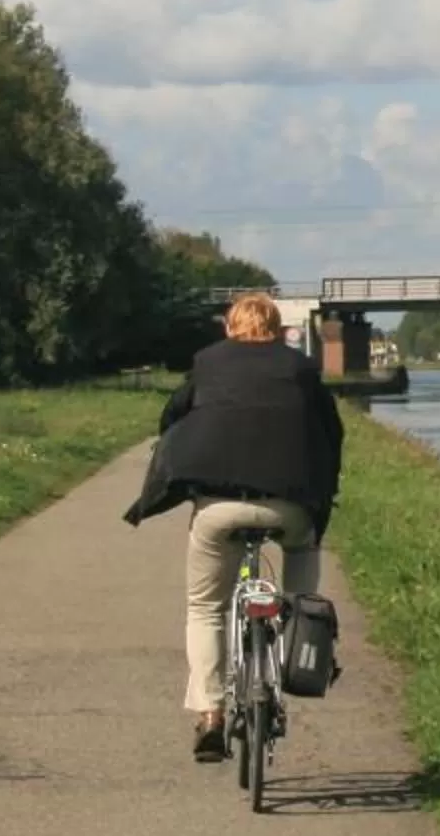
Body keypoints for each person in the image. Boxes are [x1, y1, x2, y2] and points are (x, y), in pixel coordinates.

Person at [124, 292, 345, 759]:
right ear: (278, 328)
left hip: (219, 507)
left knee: (205, 606)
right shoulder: (300, 368)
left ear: (230, 327)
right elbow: (331, 429)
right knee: (301, 572)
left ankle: (209, 713)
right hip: (289, 506)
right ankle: (292, 645)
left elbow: (172, 416)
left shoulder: (207, 362)